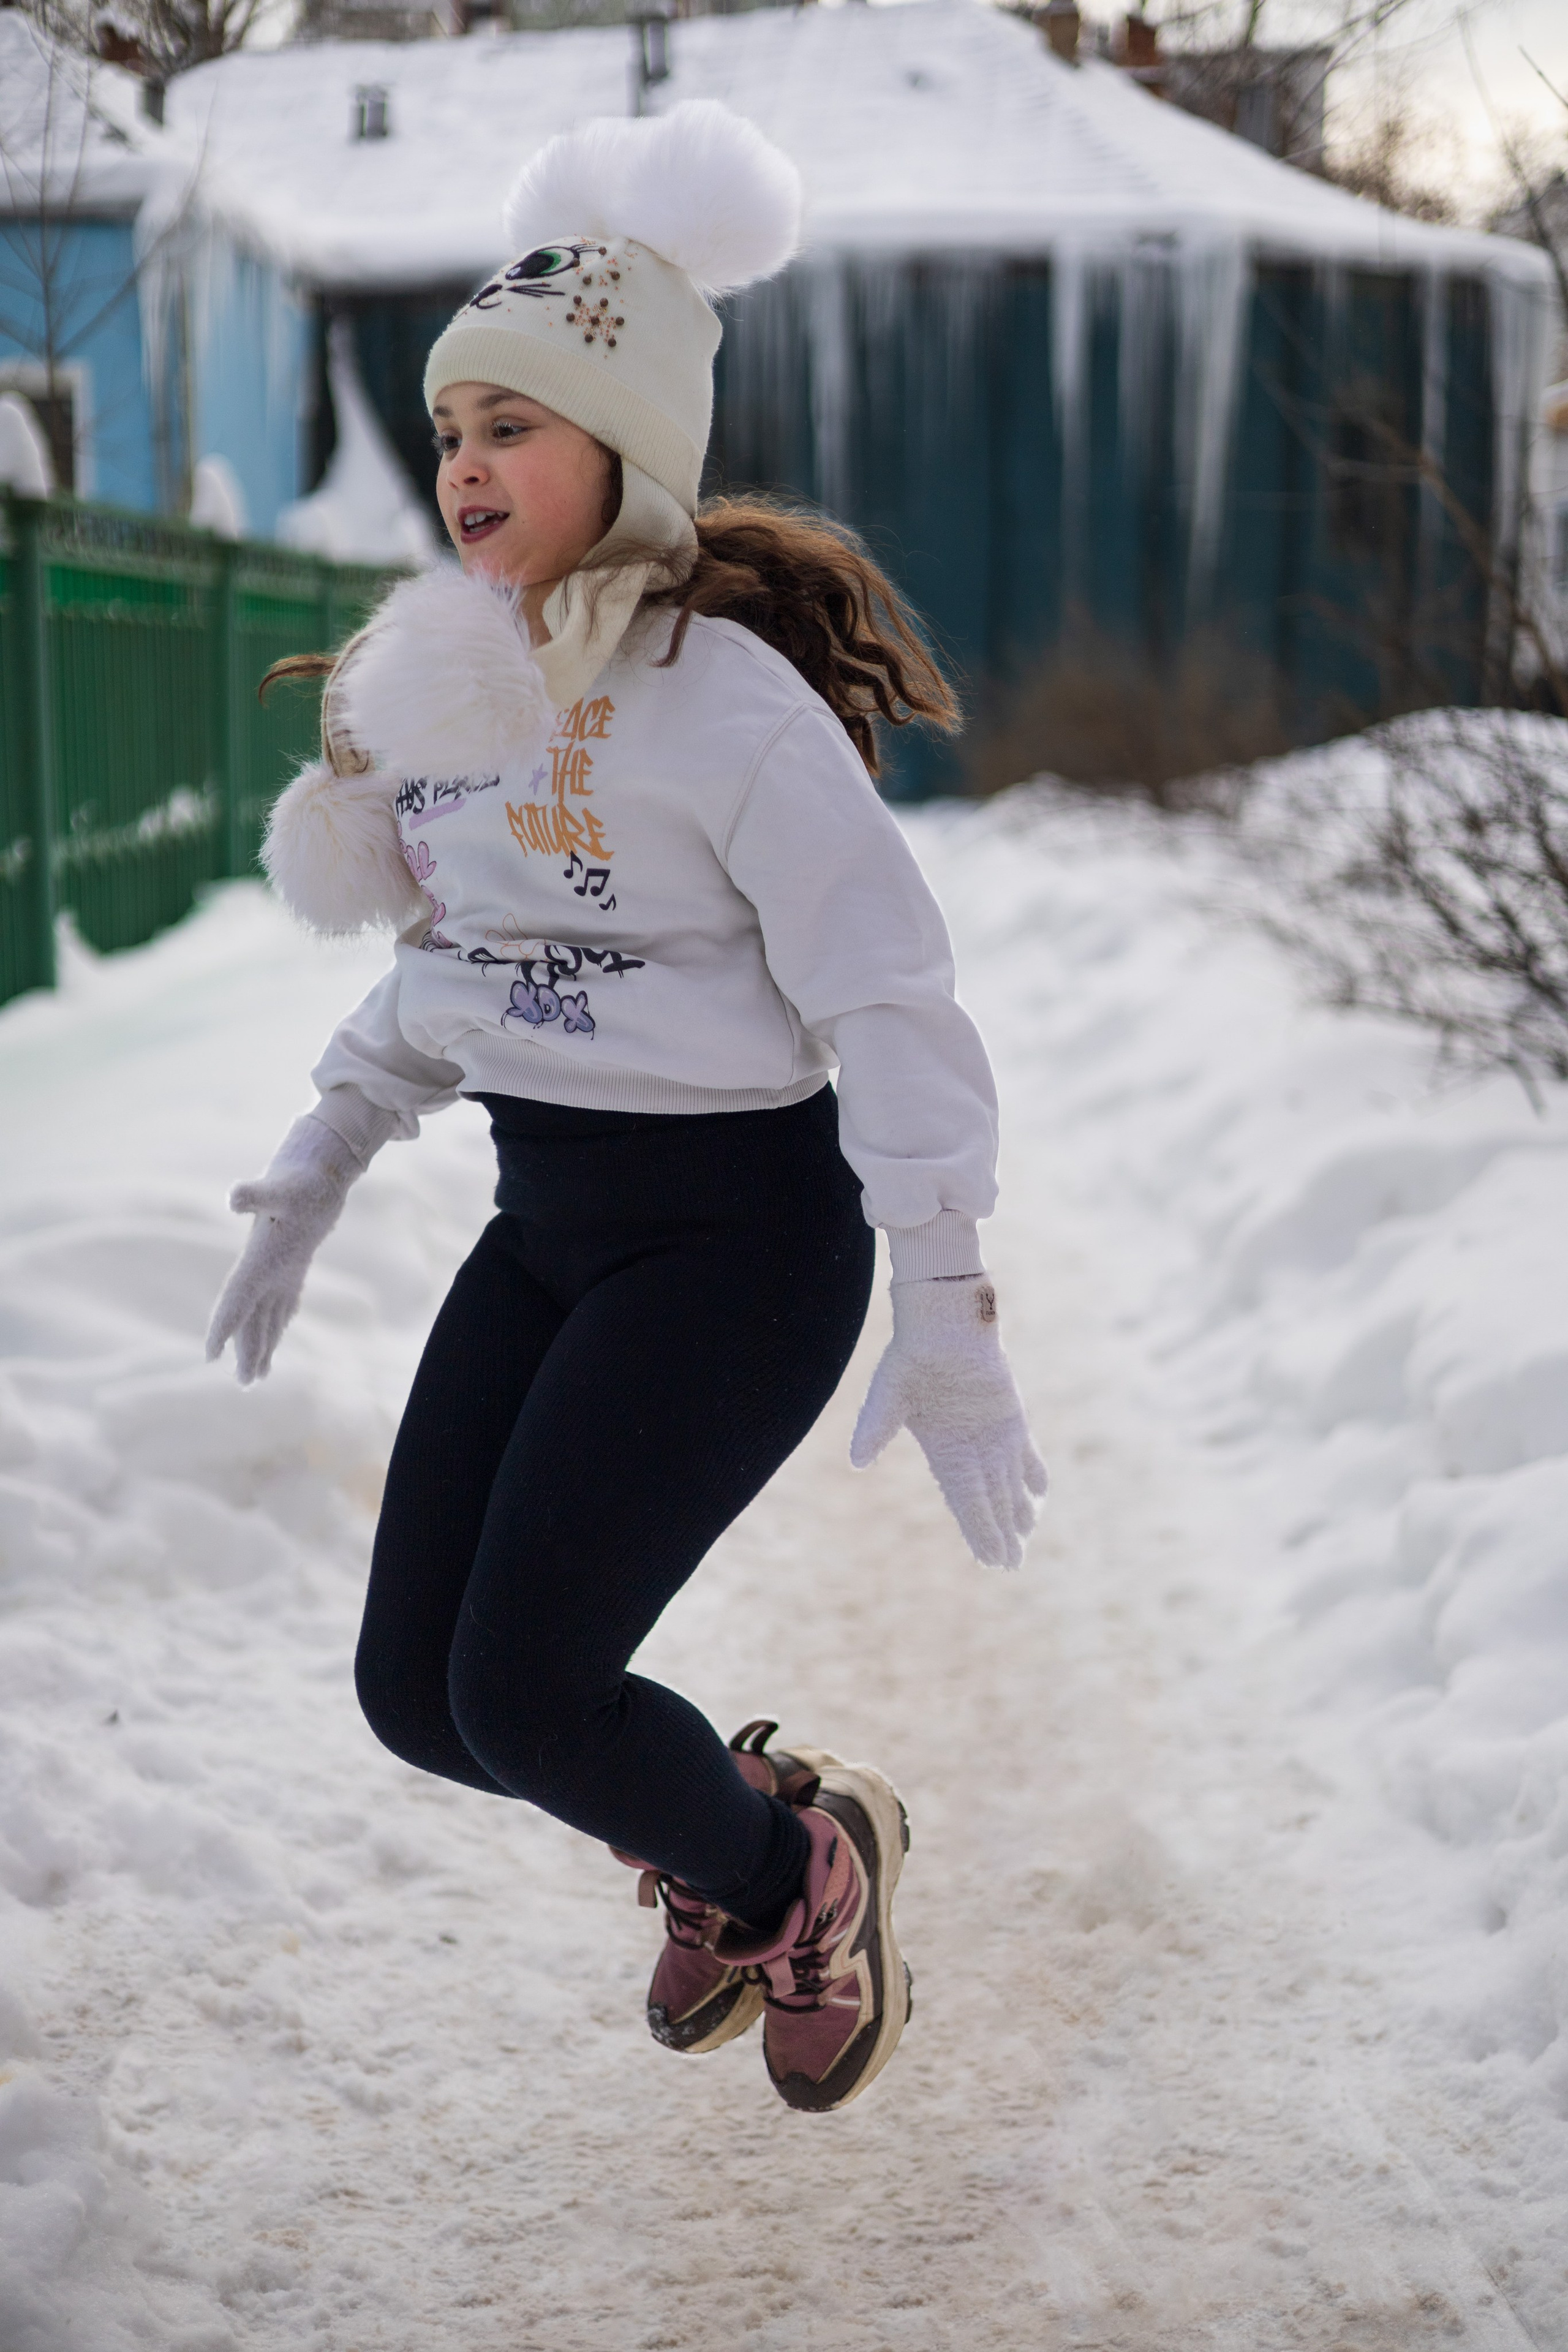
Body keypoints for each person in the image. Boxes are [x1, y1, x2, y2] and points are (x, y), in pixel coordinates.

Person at [206, 102, 1045, 2116]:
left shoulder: (726, 703)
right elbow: (463, 962)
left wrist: (946, 1288)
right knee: (422, 1700)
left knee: (526, 1685)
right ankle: (736, 1818)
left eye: (517, 423)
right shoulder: (454, 694)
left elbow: (890, 990)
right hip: (553, 1223)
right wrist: (331, 1144)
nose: (469, 465)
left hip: (738, 1248)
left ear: (629, 450)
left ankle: (797, 1875)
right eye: (453, 429)